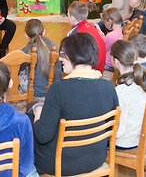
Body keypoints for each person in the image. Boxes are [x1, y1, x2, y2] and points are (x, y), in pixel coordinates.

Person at [32, 33, 118, 175]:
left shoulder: (59, 89)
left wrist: (37, 115)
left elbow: (43, 136)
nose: (60, 58)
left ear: (74, 56)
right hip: (96, 158)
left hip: (62, 164)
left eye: (63, 54)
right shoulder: (109, 87)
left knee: (30, 121)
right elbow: (111, 125)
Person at [110, 40, 146, 149]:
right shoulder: (143, 80)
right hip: (142, 135)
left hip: (125, 142)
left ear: (116, 61)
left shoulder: (121, 91)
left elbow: (119, 131)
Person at [19, 19, 61, 98]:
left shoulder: (27, 50)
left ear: (26, 35)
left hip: (34, 91)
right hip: (54, 88)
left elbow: (20, 69)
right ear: (44, 31)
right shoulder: (54, 46)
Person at [67, 1, 106, 72]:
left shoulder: (75, 33)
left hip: (90, 71)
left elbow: (69, 56)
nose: (67, 18)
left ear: (72, 18)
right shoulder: (91, 26)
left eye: (68, 15)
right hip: (100, 68)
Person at [101, 7, 123, 71]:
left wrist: (101, 34)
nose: (105, 25)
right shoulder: (123, 30)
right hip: (117, 62)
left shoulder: (111, 35)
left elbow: (103, 49)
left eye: (105, 22)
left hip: (108, 64)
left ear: (109, 21)